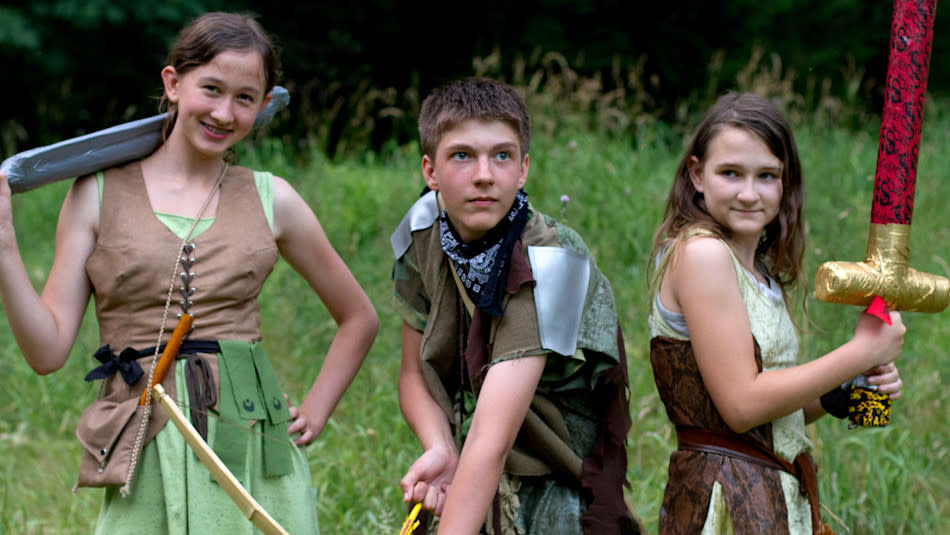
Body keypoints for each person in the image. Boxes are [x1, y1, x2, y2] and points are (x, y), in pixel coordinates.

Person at [0, 12, 378, 534]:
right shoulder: (96, 193)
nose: (224, 112)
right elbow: (47, 353)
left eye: (245, 98)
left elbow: (359, 317)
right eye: (211, 89)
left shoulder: (275, 199)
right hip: (143, 444)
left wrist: (314, 411)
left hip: (251, 452)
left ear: (263, 105)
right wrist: (4, 247)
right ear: (173, 83)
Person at [390, 77, 642, 535]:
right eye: (461, 155)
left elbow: (492, 441)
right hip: (471, 468)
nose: (484, 174)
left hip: (555, 487)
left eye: (502, 156)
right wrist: (440, 445)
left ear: (523, 169)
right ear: (430, 171)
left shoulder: (553, 261)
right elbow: (413, 374)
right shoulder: (422, 231)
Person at [647, 92, 906, 534]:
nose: (749, 193)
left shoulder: (757, 272)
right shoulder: (702, 254)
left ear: (786, 183)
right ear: (697, 174)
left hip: (769, 496)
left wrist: (837, 392)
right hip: (724, 502)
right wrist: (861, 352)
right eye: (731, 173)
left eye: (766, 175)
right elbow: (741, 405)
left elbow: (768, 416)